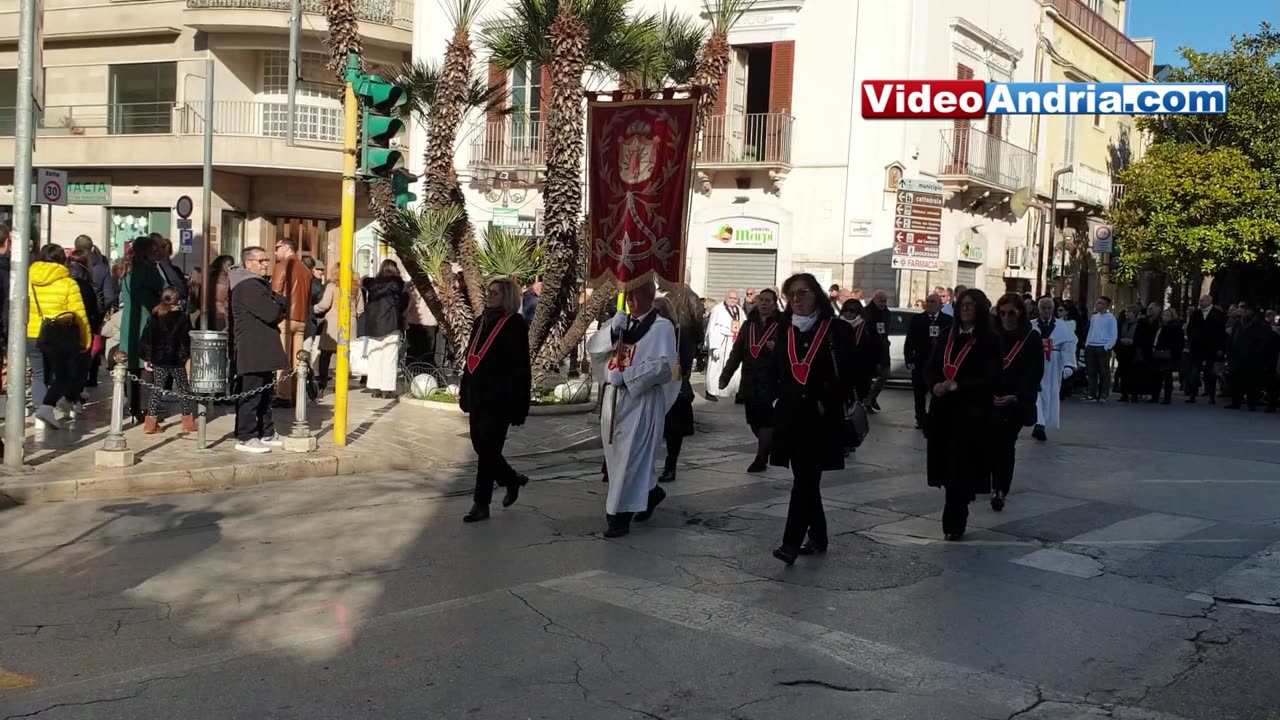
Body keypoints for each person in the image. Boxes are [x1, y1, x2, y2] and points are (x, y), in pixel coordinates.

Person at [767, 273, 857, 565]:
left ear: (816, 295)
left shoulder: (836, 330)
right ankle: (818, 535)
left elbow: (849, 374)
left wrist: (825, 401)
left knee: (805, 479)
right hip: (791, 415)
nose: (796, 300)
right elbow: (773, 369)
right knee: (805, 478)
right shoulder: (783, 327)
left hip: (820, 418)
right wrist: (774, 399)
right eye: (791, 294)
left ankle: (790, 543)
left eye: (802, 293)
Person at [587, 281, 679, 539]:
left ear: (650, 297)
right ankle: (650, 493)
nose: (630, 300)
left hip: (641, 401)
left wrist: (629, 377)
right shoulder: (620, 322)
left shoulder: (662, 328)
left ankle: (618, 516)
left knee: (630, 458)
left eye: (636, 295)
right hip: (613, 400)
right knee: (617, 457)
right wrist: (611, 333)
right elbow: (593, 349)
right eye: (628, 295)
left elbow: (664, 366)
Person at [924, 289, 1000, 541]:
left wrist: (961, 385)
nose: (966, 309)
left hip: (970, 414)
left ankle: (954, 523)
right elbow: (933, 366)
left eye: (970, 305)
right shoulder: (948, 335)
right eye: (962, 305)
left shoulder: (988, 340)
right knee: (947, 468)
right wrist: (934, 384)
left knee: (959, 467)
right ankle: (960, 496)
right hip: (943, 411)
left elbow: (992, 378)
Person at [459, 278, 532, 523]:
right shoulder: (481, 322)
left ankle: (481, 504)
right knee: (481, 447)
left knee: (488, 451)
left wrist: (519, 405)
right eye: (488, 292)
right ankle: (511, 479)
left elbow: (521, 367)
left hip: (500, 399)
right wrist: (464, 391)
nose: (489, 296)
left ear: (507, 297)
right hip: (478, 395)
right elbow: (470, 358)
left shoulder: (514, 324)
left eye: (495, 293)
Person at [229, 246, 288, 454]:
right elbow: (271, 312)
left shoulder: (257, 284)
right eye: (261, 260)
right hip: (252, 347)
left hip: (262, 346)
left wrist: (277, 303)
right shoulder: (248, 286)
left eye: (266, 260)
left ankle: (266, 432)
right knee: (251, 394)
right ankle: (246, 436)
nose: (265, 264)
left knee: (264, 394)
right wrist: (279, 304)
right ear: (248, 263)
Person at [26, 245, 91, 430]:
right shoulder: (68, 283)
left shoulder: (27, 279)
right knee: (64, 375)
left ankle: (40, 415)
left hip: (30, 332)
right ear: (63, 260)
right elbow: (80, 315)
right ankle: (47, 407)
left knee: (39, 374)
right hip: (57, 335)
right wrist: (85, 340)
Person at [989, 293, 1044, 512]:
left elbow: (1035, 373)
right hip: (991, 398)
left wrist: (1017, 396)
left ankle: (1001, 489)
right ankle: (992, 483)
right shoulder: (992, 334)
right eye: (1002, 313)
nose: (1007, 317)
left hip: (1015, 400)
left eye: (1011, 313)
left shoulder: (1031, 337)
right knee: (991, 444)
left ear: (1020, 312)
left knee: (1006, 444)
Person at [720, 288, 781, 473]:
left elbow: (790, 351)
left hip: (770, 380)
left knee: (765, 421)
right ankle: (769, 444)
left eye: (768, 300)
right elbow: (737, 352)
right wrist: (726, 375)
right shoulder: (749, 325)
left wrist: (777, 347)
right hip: (750, 380)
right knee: (753, 421)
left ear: (774, 303)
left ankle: (761, 458)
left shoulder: (783, 324)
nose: (764, 303)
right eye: (761, 300)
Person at [118, 236, 166, 423]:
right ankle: (147, 410)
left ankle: (134, 406)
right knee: (147, 365)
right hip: (147, 321)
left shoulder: (126, 269)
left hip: (129, 321)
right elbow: (164, 290)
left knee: (132, 366)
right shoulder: (148, 270)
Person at [658, 288, 702, 483]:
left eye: (659, 313)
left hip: (674, 381)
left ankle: (671, 465)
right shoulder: (649, 329)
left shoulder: (676, 330)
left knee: (674, 428)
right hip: (654, 386)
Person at [139, 288, 196, 434]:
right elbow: (187, 340)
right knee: (183, 389)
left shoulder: (155, 315)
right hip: (176, 360)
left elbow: (147, 337)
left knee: (157, 389)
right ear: (177, 300)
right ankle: (187, 422)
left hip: (159, 359)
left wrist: (147, 357)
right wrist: (187, 356)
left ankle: (150, 423)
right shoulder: (182, 317)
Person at [270, 238, 310, 405]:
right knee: (298, 360)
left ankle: (283, 395)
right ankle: (297, 393)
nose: (275, 252)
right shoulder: (306, 270)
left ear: (286, 247)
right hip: (301, 318)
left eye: (277, 247)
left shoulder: (282, 266)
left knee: (283, 358)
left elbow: (275, 293)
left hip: (285, 318)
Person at [903, 293, 952, 430]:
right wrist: (909, 359)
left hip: (939, 364)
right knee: (919, 393)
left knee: (937, 392)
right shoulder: (917, 319)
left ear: (940, 305)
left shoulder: (947, 320)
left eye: (933, 302)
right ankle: (920, 419)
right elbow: (909, 341)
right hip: (920, 362)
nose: (930, 304)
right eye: (928, 301)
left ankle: (936, 418)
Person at [1032, 297, 1076, 442]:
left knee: (1050, 393)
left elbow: (1067, 347)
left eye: (1048, 308)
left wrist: (1069, 365)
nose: (1046, 311)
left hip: (1053, 364)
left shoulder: (1062, 327)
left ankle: (1042, 421)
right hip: (1036, 362)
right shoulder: (1031, 325)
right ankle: (1039, 423)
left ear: (1052, 309)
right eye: (1043, 308)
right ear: (1038, 309)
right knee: (1036, 393)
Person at [362, 259, 408, 399]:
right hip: (391, 323)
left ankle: (375, 387)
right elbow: (402, 304)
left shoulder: (372, 284)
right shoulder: (398, 285)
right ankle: (386, 389)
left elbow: (364, 281)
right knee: (390, 357)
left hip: (374, 325)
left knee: (375, 356)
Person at [66, 249, 104, 414]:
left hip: (63, 329)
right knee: (81, 367)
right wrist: (95, 326)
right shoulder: (88, 286)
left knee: (66, 366)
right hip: (84, 330)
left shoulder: (64, 282)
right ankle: (74, 401)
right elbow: (97, 308)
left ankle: (62, 399)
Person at [1185, 295, 1227, 404]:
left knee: (1210, 374)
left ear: (1209, 301)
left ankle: (1211, 396)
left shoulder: (1217, 314)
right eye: (1200, 300)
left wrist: (1220, 348)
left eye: (1202, 300)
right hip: (1197, 348)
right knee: (1194, 372)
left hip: (1211, 349)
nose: (1200, 302)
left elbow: (1221, 332)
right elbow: (1190, 329)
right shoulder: (1196, 314)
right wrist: (1192, 339)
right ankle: (1193, 395)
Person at [705, 290, 743, 402]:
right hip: (720, 343)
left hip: (733, 342)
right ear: (726, 297)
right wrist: (714, 346)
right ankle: (710, 391)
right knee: (715, 368)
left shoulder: (739, 310)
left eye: (735, 298)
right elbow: (711, 328)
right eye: (730, 298)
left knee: (735, 369)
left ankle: (735, 391)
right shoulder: (717, 309)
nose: (732, 300)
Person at [861, 290, 892, 412]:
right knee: (868, 377)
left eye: (885, 301)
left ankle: (871, 398)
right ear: (874, 299)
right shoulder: (867, 312)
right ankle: (867, 400)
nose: (883, 303)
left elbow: (885, 330)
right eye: (881, 301)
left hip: (883, 348)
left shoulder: (886, 313)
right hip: (871, 349)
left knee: (885, 374)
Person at [1082, 296, 1117, 402]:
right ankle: (1092, 393)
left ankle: (1104, 394)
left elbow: (1113, 334)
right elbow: (1091, 330)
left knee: (1104, 372)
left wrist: (1107, 347)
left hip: (1103, 346)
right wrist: (1087, 343)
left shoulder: (1111, 318)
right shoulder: (1094, 317)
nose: (1098, 305)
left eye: (1101, 303)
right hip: (1092, 346)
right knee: (1091, 372)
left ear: (1106, 305)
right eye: (1098, 302)